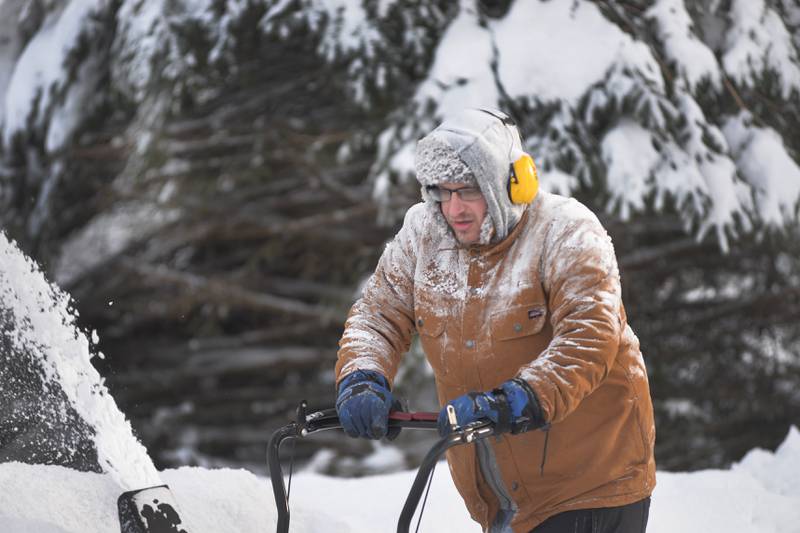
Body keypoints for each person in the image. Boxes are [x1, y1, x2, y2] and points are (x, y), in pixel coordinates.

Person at [334, 108, 656, 533]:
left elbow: (589, 338)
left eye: (468, 190)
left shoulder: (567, 232)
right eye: (442, 192)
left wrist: (518, 400)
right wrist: (362, 375)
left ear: (511, 183)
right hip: (499, 497)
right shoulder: (423, 235)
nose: (454, 208)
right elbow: (378, 314)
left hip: (589, 485)